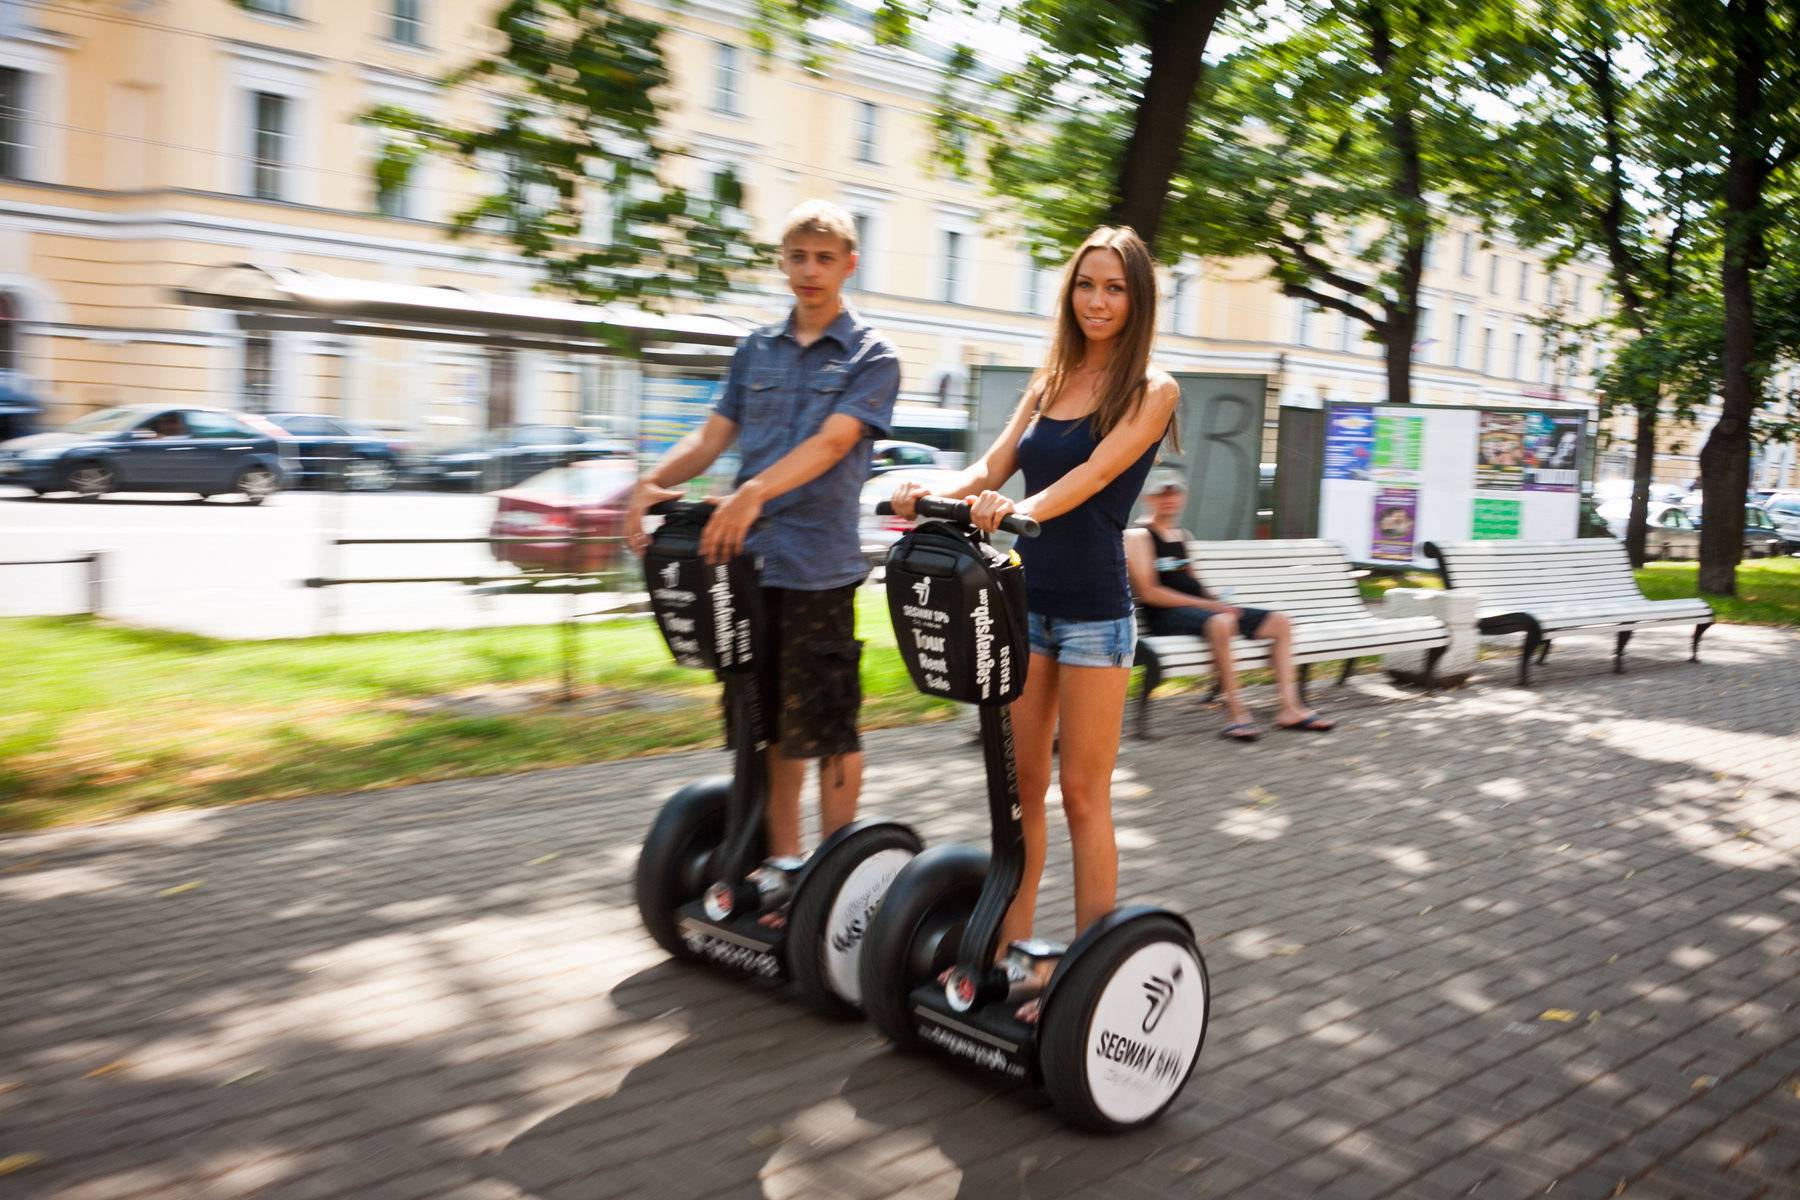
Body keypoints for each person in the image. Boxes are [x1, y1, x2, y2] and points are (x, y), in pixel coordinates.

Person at [890, 226, 1177, 1021]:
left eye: (1115, 288)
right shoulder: (1050, 378)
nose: (1098, 300)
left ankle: (1088, 974)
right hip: (1023, 607)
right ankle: (1015, 956)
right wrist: (929, 490)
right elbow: (988, 467)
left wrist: (1016, 510)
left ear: (1137, 298)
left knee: (1084, 794)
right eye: (1087, 284)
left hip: (1093, 616)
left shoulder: (1154, 390)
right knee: (1020, 792)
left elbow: (1094, 474)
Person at [626, 199, 900, 925]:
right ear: (783, 263)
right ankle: (784, 873)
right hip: (746, 569)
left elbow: (834, 445)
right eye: (797, 257)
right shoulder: (757, 350)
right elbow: (712, 436)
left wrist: (752, 492)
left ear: (848, 264)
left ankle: (839, 882)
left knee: (826, 726)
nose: (809, 271)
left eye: (824, 258)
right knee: (769, 729)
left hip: (817, 568)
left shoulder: (871, 355)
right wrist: (652, 483)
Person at [1124, 470, 1334, 741]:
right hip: (1165, 617)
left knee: (1280, 623)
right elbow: (1150, 593)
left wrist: (1218, 602)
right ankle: (1236, 713)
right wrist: (1210, 607)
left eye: (1174, 493)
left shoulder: (1181, 535)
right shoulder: (1139, 536)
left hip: (1200, 610)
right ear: (1148, 497)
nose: (1169, 499)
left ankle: (1290, 708)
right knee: (1222, 621)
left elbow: (1192, 580)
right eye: (1162, 493)